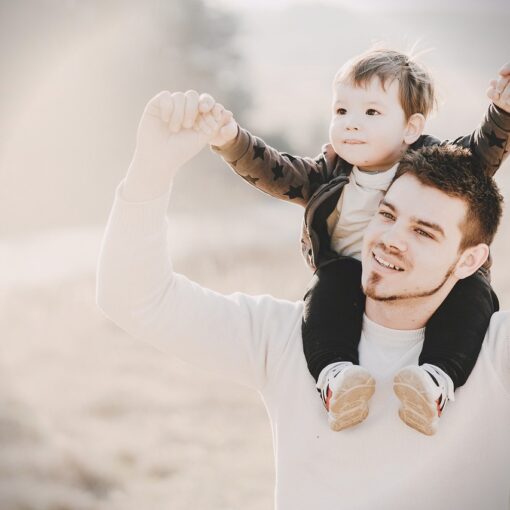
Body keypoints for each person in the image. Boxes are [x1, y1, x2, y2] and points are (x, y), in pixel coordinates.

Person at [97, 90, 510, 509]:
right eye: (386, 215)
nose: (391, 240)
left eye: (424, 232)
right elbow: (133, 298)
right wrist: (151, 170)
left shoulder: (496, 350)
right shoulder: (285, 336)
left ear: (469, 260)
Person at [207, 48, 510, 434]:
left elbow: (480, 155)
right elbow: (273, 169)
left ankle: (436, 380)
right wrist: (230, 139)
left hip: (434, 280)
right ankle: (337, 378)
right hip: (355, 279)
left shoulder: (431, 166)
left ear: (410, 128)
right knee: (326, 291)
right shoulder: (328, 173)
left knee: (471, 297)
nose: (351, 124)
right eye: (341, 111)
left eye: (371, 113)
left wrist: (502, 113)